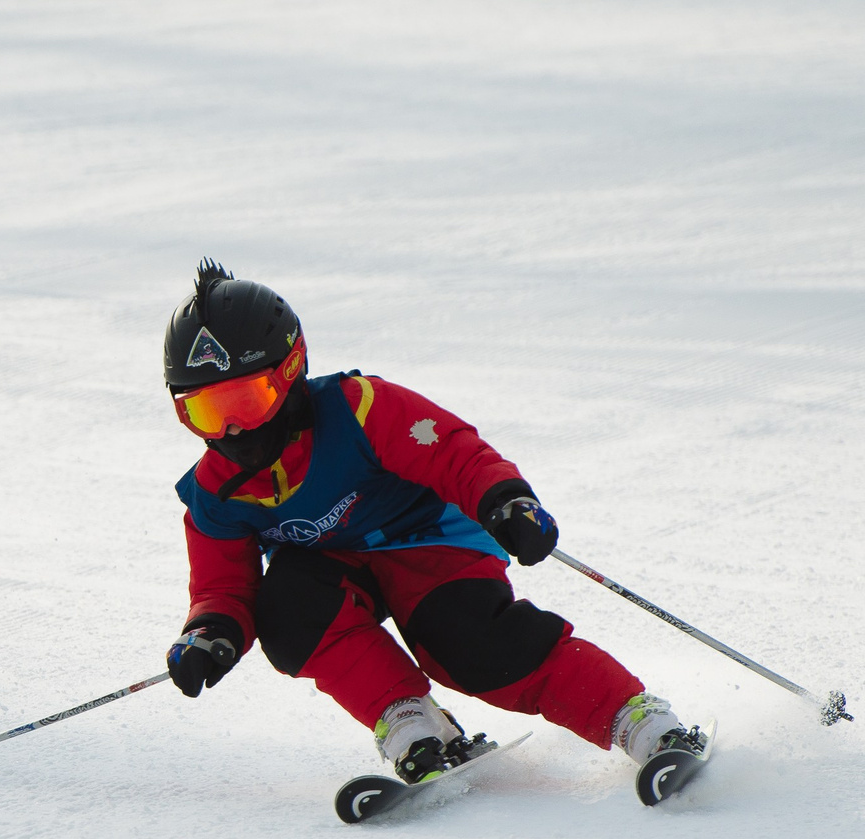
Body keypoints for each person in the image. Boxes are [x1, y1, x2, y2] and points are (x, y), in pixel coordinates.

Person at [159, 259, 707, 800]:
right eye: (205, 412)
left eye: (246, 402)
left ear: (291, 369)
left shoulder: (358, 409)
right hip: (335, 568)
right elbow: (223, 588)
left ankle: (643, 723)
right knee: (286, 612)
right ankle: (413, 727)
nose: (231, 430)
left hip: (429, 543)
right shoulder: (214, 492)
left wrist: (507, 501)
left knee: (469, 643)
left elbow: (454, 453)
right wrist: (212, 635)